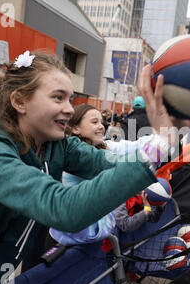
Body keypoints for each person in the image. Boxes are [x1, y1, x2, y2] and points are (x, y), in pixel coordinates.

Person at [0, 51, 186, 284]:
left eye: (70, 99)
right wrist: (159, 145)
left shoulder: (55, 144)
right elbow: (63, 209)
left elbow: (113, 163)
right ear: (19, 101)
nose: (68, 108)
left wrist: (169, 135)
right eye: (58, 98)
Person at [47, 104, 156, 247]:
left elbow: (135, 146)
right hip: (67, 244)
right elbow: (107, 162)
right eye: (94, 122)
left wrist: (168, 135)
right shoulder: (75, 156)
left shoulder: (104, 146)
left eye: (101, 122)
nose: (101, 126)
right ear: (75, 128)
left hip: (90, 241)